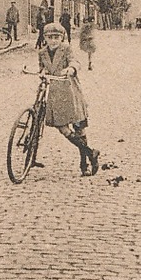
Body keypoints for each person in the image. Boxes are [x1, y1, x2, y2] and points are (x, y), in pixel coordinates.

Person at [37, 23, 99, 175]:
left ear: (62, 38)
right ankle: (91, 152)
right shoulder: (42, 53)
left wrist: (70, 69)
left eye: (57, 37)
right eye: (50, 38)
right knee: (62, 127)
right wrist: (43, 72)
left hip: (71, 92)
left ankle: (84, 164)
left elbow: (75, 61)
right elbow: (42, 67)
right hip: (55, 95)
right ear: (45, 38)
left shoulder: (67, 49)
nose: (53, 41)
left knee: (79, 128)